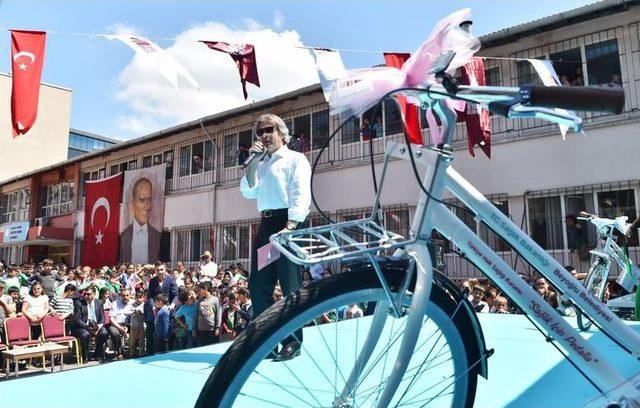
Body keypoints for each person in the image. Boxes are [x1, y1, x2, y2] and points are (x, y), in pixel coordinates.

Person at [240, 113, 311, 362]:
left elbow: (300, 193)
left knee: (290, 286)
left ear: (281, 131)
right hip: (267, 225)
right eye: (261, 132)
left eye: (269, 129)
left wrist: (291, 225)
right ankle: (265, 341)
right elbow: (249, 191)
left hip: (287, 224)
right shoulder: (260, 164)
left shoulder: (295, 159)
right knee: (259, 285)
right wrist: (251, 163)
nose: (265, 135)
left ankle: (292, 341)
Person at [120, 177, 161, 264]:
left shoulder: (157, 235)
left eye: (149, 200)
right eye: (142, 200)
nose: (147, 207)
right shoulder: (124, 236)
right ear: (133, 204)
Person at [74, 286, 109, 362]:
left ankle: (97, 354)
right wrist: (87, 328)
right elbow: (77, 319)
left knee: (104, 333)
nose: (86, 296)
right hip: (83, 326)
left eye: (89, 294)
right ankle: (85, 355)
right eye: (85, 294)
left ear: (94, 294)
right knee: (85, 334)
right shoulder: (79, 303)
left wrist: (99, 327)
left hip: (96, 325)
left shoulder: (99, 302)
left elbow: (102, 318)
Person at [196, 281, 221, 346]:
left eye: (200, 289)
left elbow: (218, 314)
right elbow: (196, 315)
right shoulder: (199, 301)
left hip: (212, 329)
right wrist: (194, 328)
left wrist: (217, 328)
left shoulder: (215, 299)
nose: (199, 291)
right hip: (201, 329)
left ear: (205, 289)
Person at [129, 291, 146, 357]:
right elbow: (127, 312)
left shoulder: (145, 305)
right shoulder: (132, 304)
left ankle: (142, 353)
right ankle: (132, 353)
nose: (139, 299)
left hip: (142, 325)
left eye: (140, 298)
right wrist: (134, 311)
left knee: (142, 340)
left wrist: (141, 312)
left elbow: (146, 313)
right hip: (134, 325)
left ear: (143, 298)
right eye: (137, 298)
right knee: (133, 340)